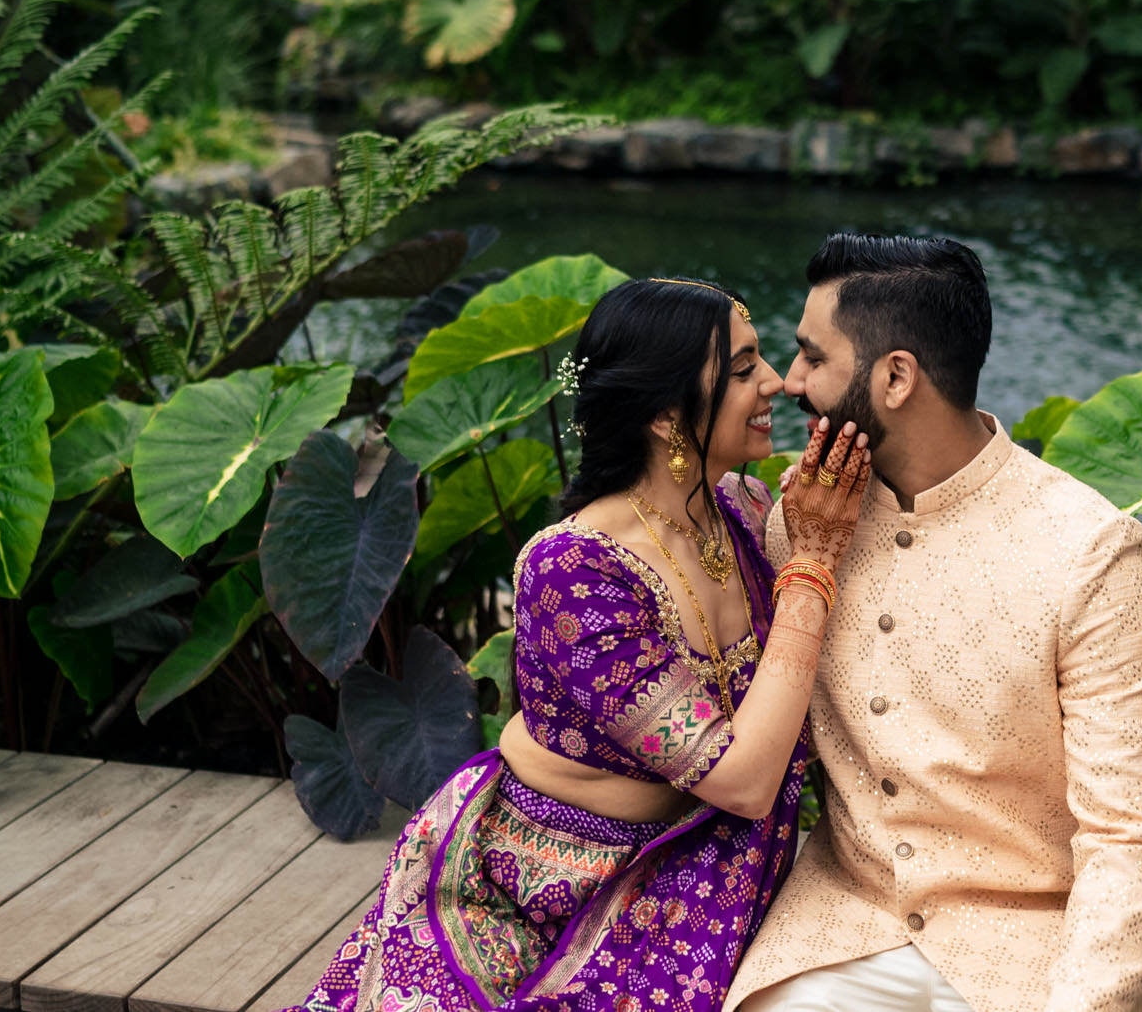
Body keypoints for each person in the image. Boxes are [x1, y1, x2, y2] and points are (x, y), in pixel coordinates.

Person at [283, 277, 872, 1012]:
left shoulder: (746, 513)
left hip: (692, 855)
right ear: (665, 414)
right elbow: (745, 782)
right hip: (545, 891)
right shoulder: (575, 569)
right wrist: (812, 567)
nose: (778, 384)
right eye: (746, 368)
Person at [727, 234, 1142, 1012]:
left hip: (1035, 950)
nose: (790, 382)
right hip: (843, 928)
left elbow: (1133, 839)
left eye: (813, 356)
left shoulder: (1090, 552)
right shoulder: (802, 524)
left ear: (895, 377)